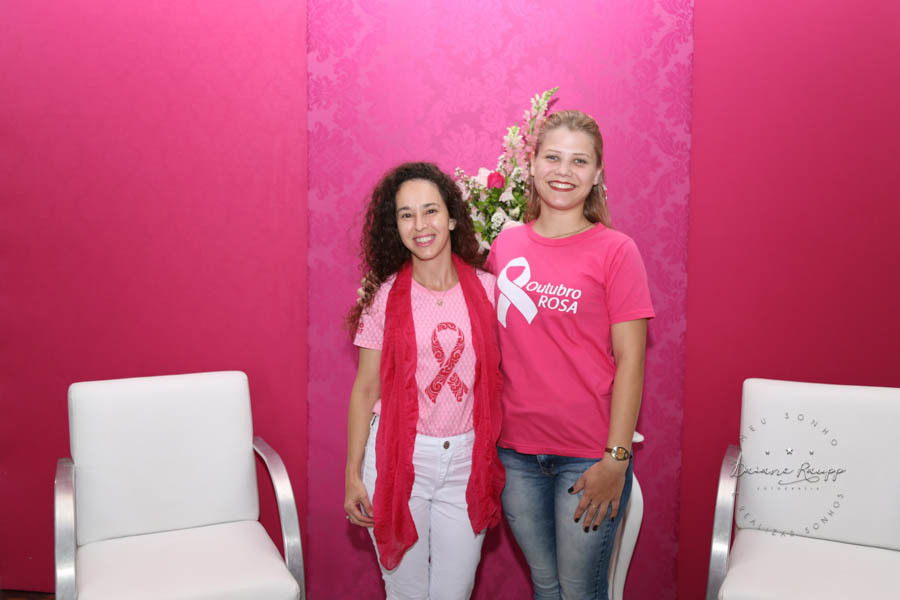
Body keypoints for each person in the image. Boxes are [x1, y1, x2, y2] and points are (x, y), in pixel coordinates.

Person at [485, 110, 654, 600]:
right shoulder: (505, 245)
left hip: (588, 457)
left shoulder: (617, 251)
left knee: (581, 592)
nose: (564, 171)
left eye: (579, 161)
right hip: (515, 454)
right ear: (532, 164)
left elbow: (631, 362)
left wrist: (616, 460)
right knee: (545, 587)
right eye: (553, 157)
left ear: (597, 173)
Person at [344, 162, 505, 600]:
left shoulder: (489, 291)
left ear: (451, 217)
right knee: (405, 592)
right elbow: (365, 389)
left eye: (430, 211)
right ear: (395, 227)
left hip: (467, 464)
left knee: (455, 592)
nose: (420, 225)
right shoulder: (383, 299)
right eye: (406, 215)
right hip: (398, 461)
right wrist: (353, 474)